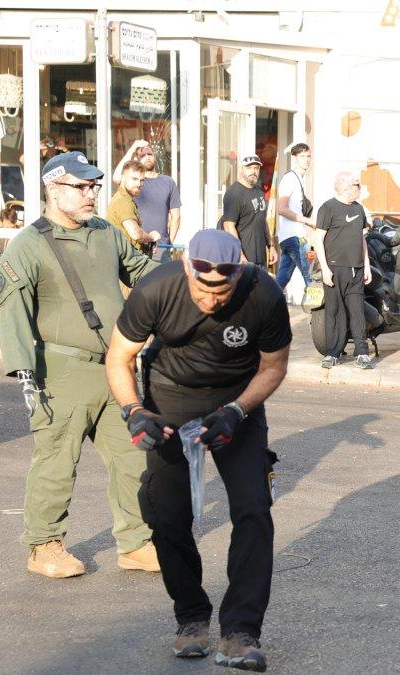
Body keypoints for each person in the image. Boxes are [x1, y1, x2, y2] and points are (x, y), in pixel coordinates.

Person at [104, 230, 292, 671]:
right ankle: (191, 617)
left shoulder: (263, 294)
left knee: (253, 509)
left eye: (221, 292)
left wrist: (237, 412)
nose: (210, 301)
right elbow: (118, 357)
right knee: (166, 513)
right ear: (188, 268)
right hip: (170, 395)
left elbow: (274, 366)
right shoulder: (156, 289)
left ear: (239, 273)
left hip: (236, 400)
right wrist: (135, 411)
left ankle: (241, 632)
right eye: (202, 290)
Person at [0, 151, 160, 578]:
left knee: (133, 458)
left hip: (115, 369)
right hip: (61, 372)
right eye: (81, 187)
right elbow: (11, 310)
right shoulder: (29, 244)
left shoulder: (104, 232)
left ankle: (136, 542)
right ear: (53, 188)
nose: (91, 194)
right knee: (56, 462)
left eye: (94, 186)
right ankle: (44, 545)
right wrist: (24, 372)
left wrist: (186, 279)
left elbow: (142, 271)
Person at [315, 171, 373, 370]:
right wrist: (325, 269)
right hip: (334, 269)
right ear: (346, 188)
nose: (360, 187)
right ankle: (332, 353)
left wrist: (366, 265)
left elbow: (361, 238)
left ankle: (362, 352)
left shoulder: (359, 209)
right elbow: (318, 240)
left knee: (357, 312)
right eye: (357, 184)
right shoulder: (327, 208)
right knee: (334, 312)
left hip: (356, 269)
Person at [113, 139, 182, 258]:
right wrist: (133, 147)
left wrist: (168, 243)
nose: (147, 157)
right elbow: (117, 177)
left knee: (161, 271)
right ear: (137, 159)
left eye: (149, 154)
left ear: (155, 156)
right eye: (143, 155)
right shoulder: (134, 183)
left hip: (160, 247)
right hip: (136, 246)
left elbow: (176, 216)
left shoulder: (168, 182)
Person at [222, 155, 277, 268]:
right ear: (241, 169)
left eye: (256, 168)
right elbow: (228, 225)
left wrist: (271, 246)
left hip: (260, 257)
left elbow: (262, 220)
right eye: (249, 167)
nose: (253, 171)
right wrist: (240, 255)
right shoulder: (234, 193)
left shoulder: (259, 190)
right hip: (242, 259)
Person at [275, 143, 316, 289]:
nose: (306, 159)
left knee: (282, 279)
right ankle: (317, 308)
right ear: (294, 158)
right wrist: (308, 221)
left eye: (308, 156)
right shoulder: (290, 179)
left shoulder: (299, 179)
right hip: (295, 238)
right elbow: (282, 209)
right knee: (312, 278)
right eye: (302, 156)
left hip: (290, 237)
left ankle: (266, 301)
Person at [107, 160, 160, 254]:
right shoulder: (122, 200)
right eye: (134, 179)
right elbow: (136, 234)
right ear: (123, 179)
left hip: (129, 255)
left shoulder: (126, 199)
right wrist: (152, 237)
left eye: (142, 180)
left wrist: (148, 245)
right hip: (125, 259)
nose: (139, 184)